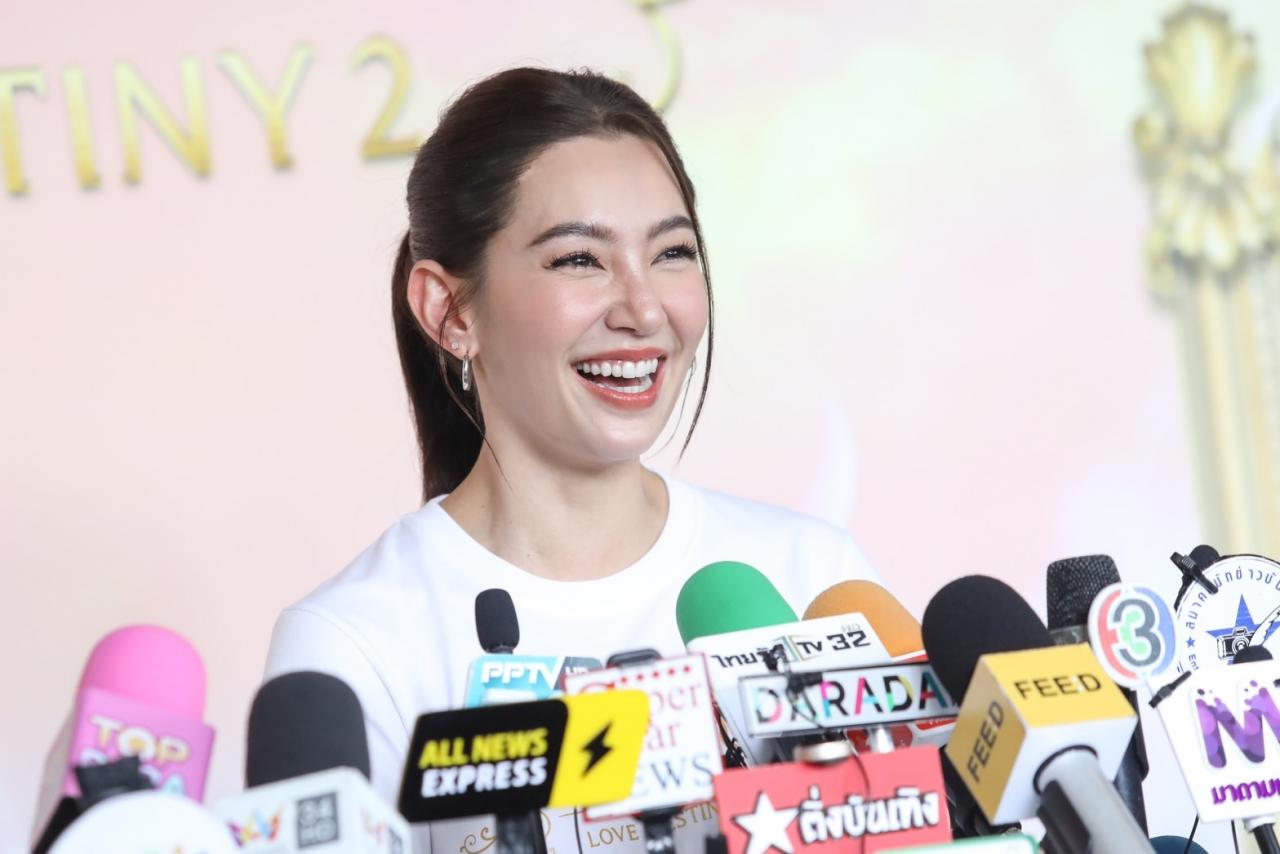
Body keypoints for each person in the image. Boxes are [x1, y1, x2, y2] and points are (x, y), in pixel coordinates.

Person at [264, 66, 880, 854]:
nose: (644, 309)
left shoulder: (813, 579)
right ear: (449, 311)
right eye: (580, 260)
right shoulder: (352, 645)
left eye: (673, 252)